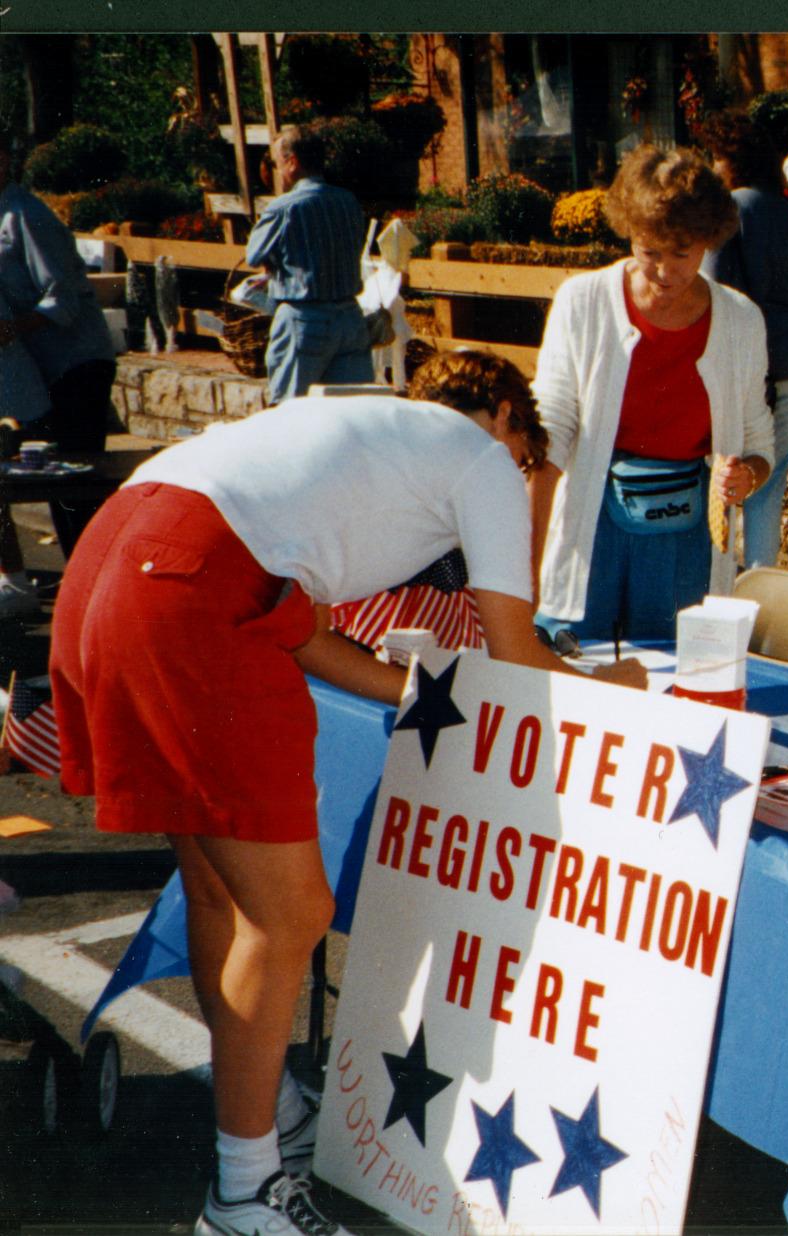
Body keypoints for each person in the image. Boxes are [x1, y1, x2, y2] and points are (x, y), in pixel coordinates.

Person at [48, 351, 643, 1236]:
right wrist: (618, 686)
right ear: (509, 430)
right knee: (289, 917)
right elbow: (519, 653)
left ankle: (266, 1114)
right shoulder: (483, 461)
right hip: (189, 586)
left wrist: (411, 685)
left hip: (117, 552)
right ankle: (244, 1193)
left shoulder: (362, 430)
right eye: (526, 457)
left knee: (221, 891)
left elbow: (303, 629)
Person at [529, 143, 772, 641]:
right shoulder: (583, 300)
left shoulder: (742, 320)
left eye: (681, 254)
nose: (663, 272)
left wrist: (745, 476)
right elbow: (549, 434)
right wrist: (528, 560)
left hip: (685, 532)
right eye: (648, 252)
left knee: (674, 668)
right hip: (590, 520)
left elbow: (758, 443)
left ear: (707, 241)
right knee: (569, 654)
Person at [0, 128, 119, 618]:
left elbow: (63, 297)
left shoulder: (25, 214)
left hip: (76, 360)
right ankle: (85, 591)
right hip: (43, 367)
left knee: (76, 482)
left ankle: (99, 595)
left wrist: (14, 328)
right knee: (51, 483)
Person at [697, 109, 788, 569]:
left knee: (727, 479)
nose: (712, 169)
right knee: (770, 483)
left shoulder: (731, 210)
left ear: (733, 161)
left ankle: (723, 585)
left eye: (715, 159)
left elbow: (714, 294)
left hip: (751, 364)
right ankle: (763, 589)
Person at [245, 122, 372, 403]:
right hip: (350, 319)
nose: (277, 170)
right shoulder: (348, 201)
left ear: (292, 162)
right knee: (353, 413)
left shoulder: (284, 207)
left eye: (278, 163)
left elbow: (254, 255)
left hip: (304, 320)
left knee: (292, 415)